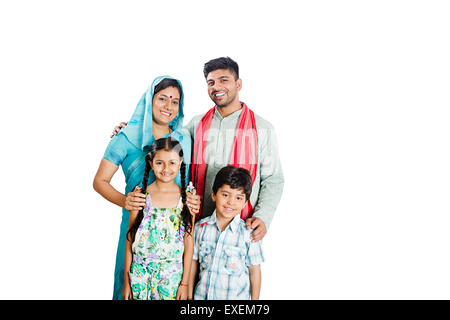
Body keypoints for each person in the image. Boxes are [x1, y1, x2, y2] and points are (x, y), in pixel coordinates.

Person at [112, 57, 284, 242]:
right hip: (197, 228)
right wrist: (135, 128)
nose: (217, 87)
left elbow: (273, 179)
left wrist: (263, 217)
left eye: (223, 80)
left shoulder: (262, 128)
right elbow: (165, 140)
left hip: (240, 230)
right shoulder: (197, 125)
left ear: (238, 84)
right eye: (211, 82)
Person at [93, 76, 200, 300]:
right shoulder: (125, 138)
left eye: (175, 101)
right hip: (137, 228)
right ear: (149, 99)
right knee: (129, 288)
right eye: (162, 98)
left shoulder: (184, 139)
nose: (168, 106)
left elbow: (188, 182)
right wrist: (125, 201)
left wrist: (194, 199)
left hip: (174, 236)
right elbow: (100, 181)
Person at [123, 137, 195, 300]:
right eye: (159, 162)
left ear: (180, 162)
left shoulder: (187, 198)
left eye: (172, 162)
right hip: (139, 275)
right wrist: (127, 282)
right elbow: (130, 239)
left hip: (171, 278)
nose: (166, 168)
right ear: (150, 163)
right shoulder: (140, 195)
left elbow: (189, 242)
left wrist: (185, 283)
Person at [189, 165, 264, 300]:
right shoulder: (200, 228)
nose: (231, 202)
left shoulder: (248, 233)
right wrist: (189, 294)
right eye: (225, 195)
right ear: (213, 195)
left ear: (245, 203)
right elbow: (193, 264)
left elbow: (255, 271)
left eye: (238, 198)